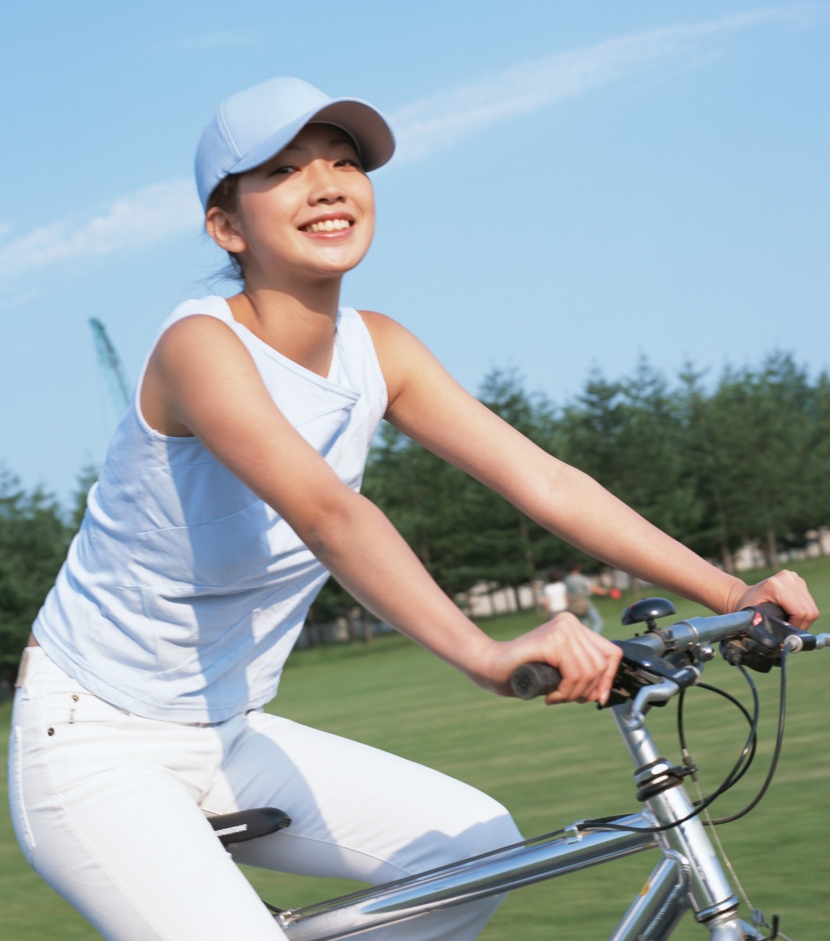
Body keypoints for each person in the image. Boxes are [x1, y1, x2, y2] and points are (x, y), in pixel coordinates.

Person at [8, 76, 819, 941]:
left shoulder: (379, 348)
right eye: (283, 169)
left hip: (228, 736)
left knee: (473, 850)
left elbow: (544, 480)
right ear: (227, 225)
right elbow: (329, 512)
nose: (326, 183)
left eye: (344, 161)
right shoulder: (201, 347)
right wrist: (484, 654)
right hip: (92, 745)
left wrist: (729, 594)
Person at [565, 561, 607, 634]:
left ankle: (587, 639)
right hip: (585, 603)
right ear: (577, 568)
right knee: (598, 622)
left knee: (584, 626)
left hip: (574, 605)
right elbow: (591, 588)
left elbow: (566, 594)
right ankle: (593, 637)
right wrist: (604, 591)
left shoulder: (567, 580)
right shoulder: (581, 578)